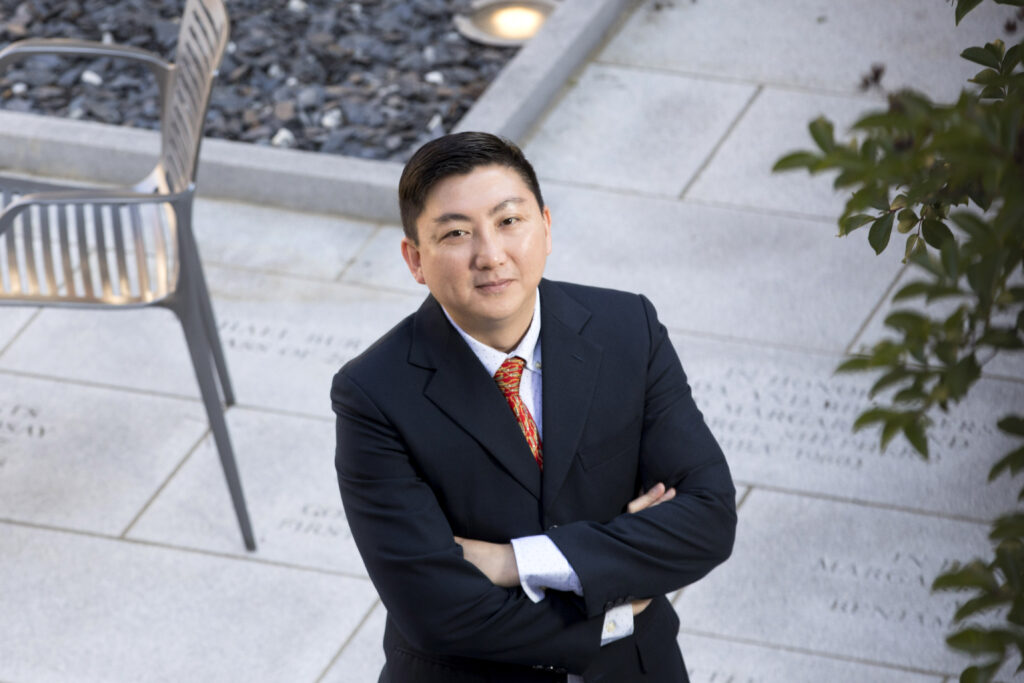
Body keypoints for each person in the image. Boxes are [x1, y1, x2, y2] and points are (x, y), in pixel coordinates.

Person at [332, 132, 736, 682]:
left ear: (546, 226)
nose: (490, 255)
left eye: (508, 221)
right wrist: (613, 608)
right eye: (455, 233)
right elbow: (434, 609)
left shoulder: (627, 329)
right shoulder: (372, 393)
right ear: (415, 260)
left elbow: (708, 520)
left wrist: (514, 561)